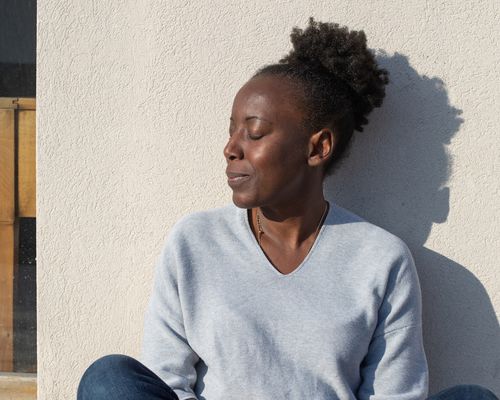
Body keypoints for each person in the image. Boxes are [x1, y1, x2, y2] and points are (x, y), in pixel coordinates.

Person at [77, 18, 498, 400]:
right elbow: (166, 382)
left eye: (255, 132)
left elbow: (394, 394)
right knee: (108, 378)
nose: (231, 148)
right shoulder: (195, 242)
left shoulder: (380, 259)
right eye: (232, 131)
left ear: (318, 147)